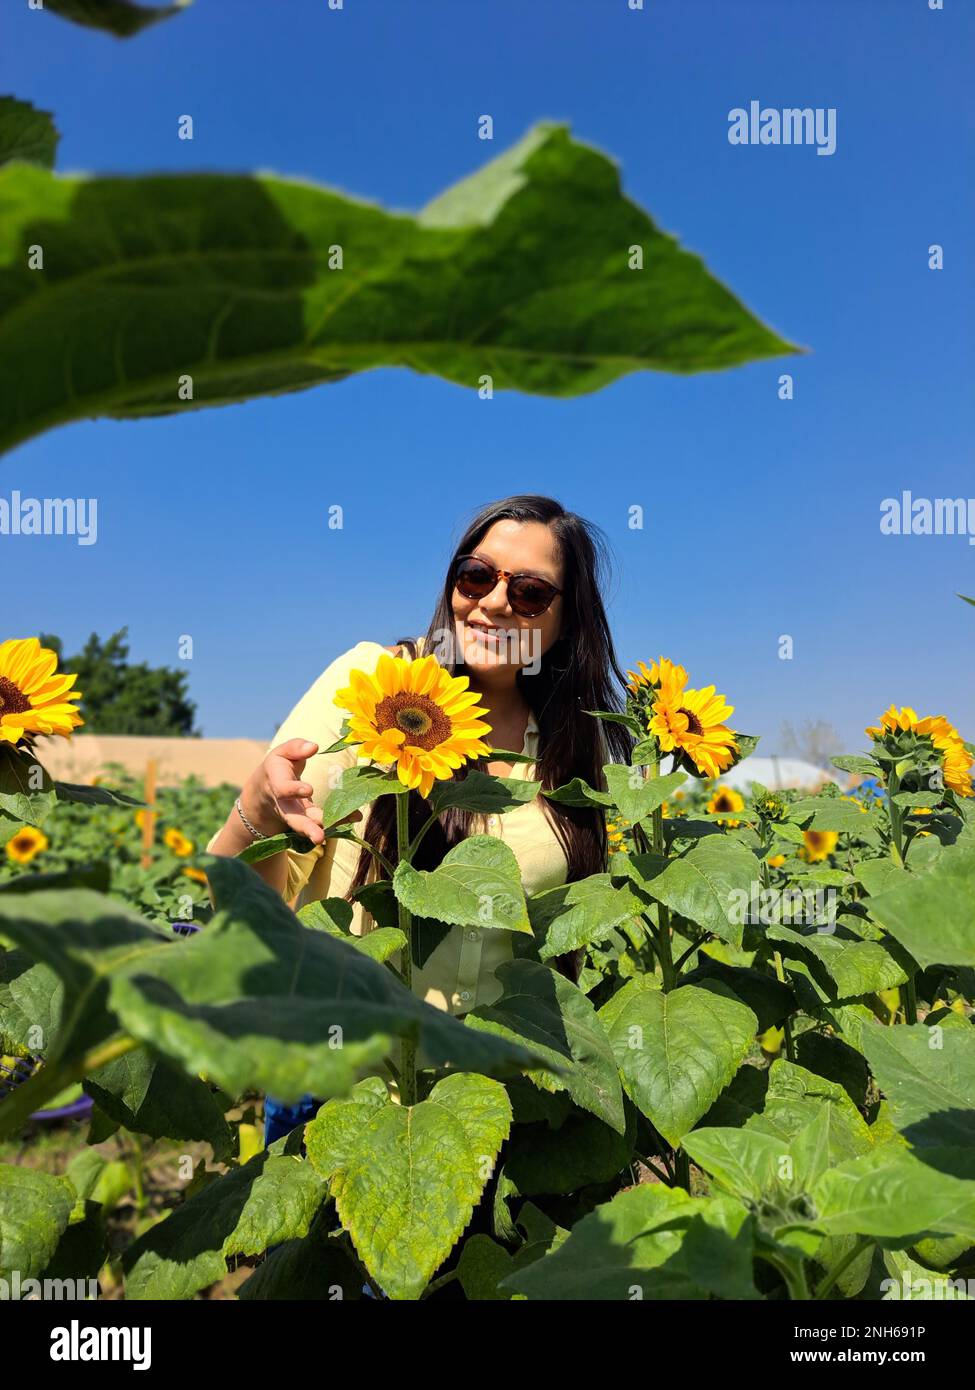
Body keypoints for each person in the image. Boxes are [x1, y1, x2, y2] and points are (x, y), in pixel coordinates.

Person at [208, 494, 633, 1143]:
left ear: (566, 619)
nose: (492, 601)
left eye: (529, 592)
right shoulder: (373, 682)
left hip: (483, 1096)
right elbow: (237, 896)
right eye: (475, 575)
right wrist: (261, 813)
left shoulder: (567, 748)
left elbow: (559, 941)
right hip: (334, 1082)